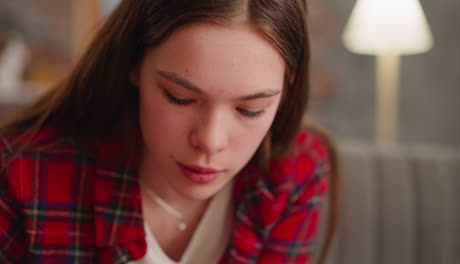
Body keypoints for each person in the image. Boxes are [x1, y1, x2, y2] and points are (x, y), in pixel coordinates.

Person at [0, 0, 338, 263]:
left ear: (288, 85)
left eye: (250, 110)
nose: (210, 140)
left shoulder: (297, 171)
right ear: (133, 63)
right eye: (181, 98)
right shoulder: (20, 177)